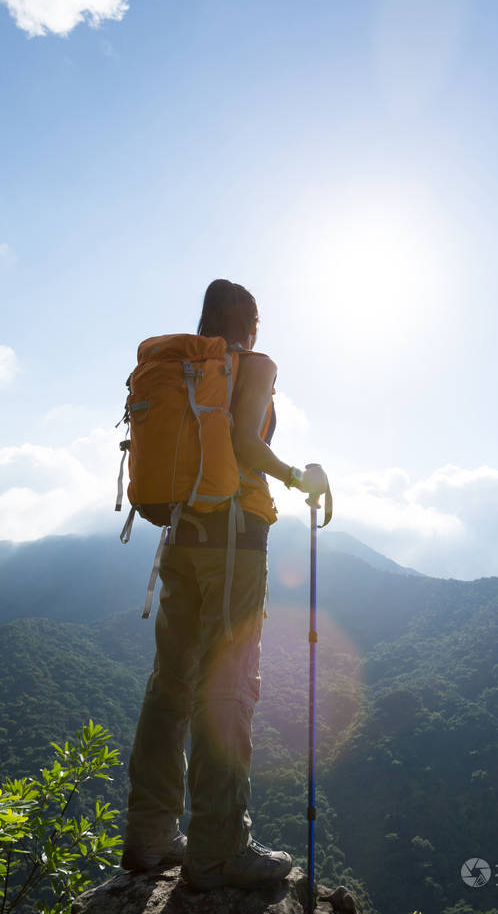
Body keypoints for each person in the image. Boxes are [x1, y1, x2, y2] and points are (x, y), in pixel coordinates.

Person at [121, 278, 327, 891]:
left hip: (180, 537)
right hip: (236, 541)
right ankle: (219, 844)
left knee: (170, 685)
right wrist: (297, 475)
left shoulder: (186, 369)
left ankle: (149, 834)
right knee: (227, 686)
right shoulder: (253, 365)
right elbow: (242, 442)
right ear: (253, 324)